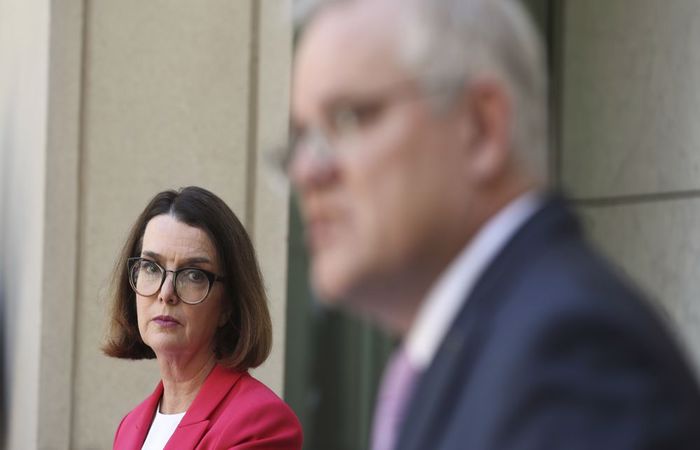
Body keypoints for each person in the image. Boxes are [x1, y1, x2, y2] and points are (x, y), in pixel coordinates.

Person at [286, 0, 700, 449]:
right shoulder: (472, 350)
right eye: (303, 137)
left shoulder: (568, 355)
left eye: (350, 118)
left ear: (482, 126)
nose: (307, 171)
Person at [104, 186, 302, 450]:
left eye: (194, 275)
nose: (166, 293)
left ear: (228, 305)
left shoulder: (261, 424)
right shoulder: (129, 427)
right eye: (151, 267)